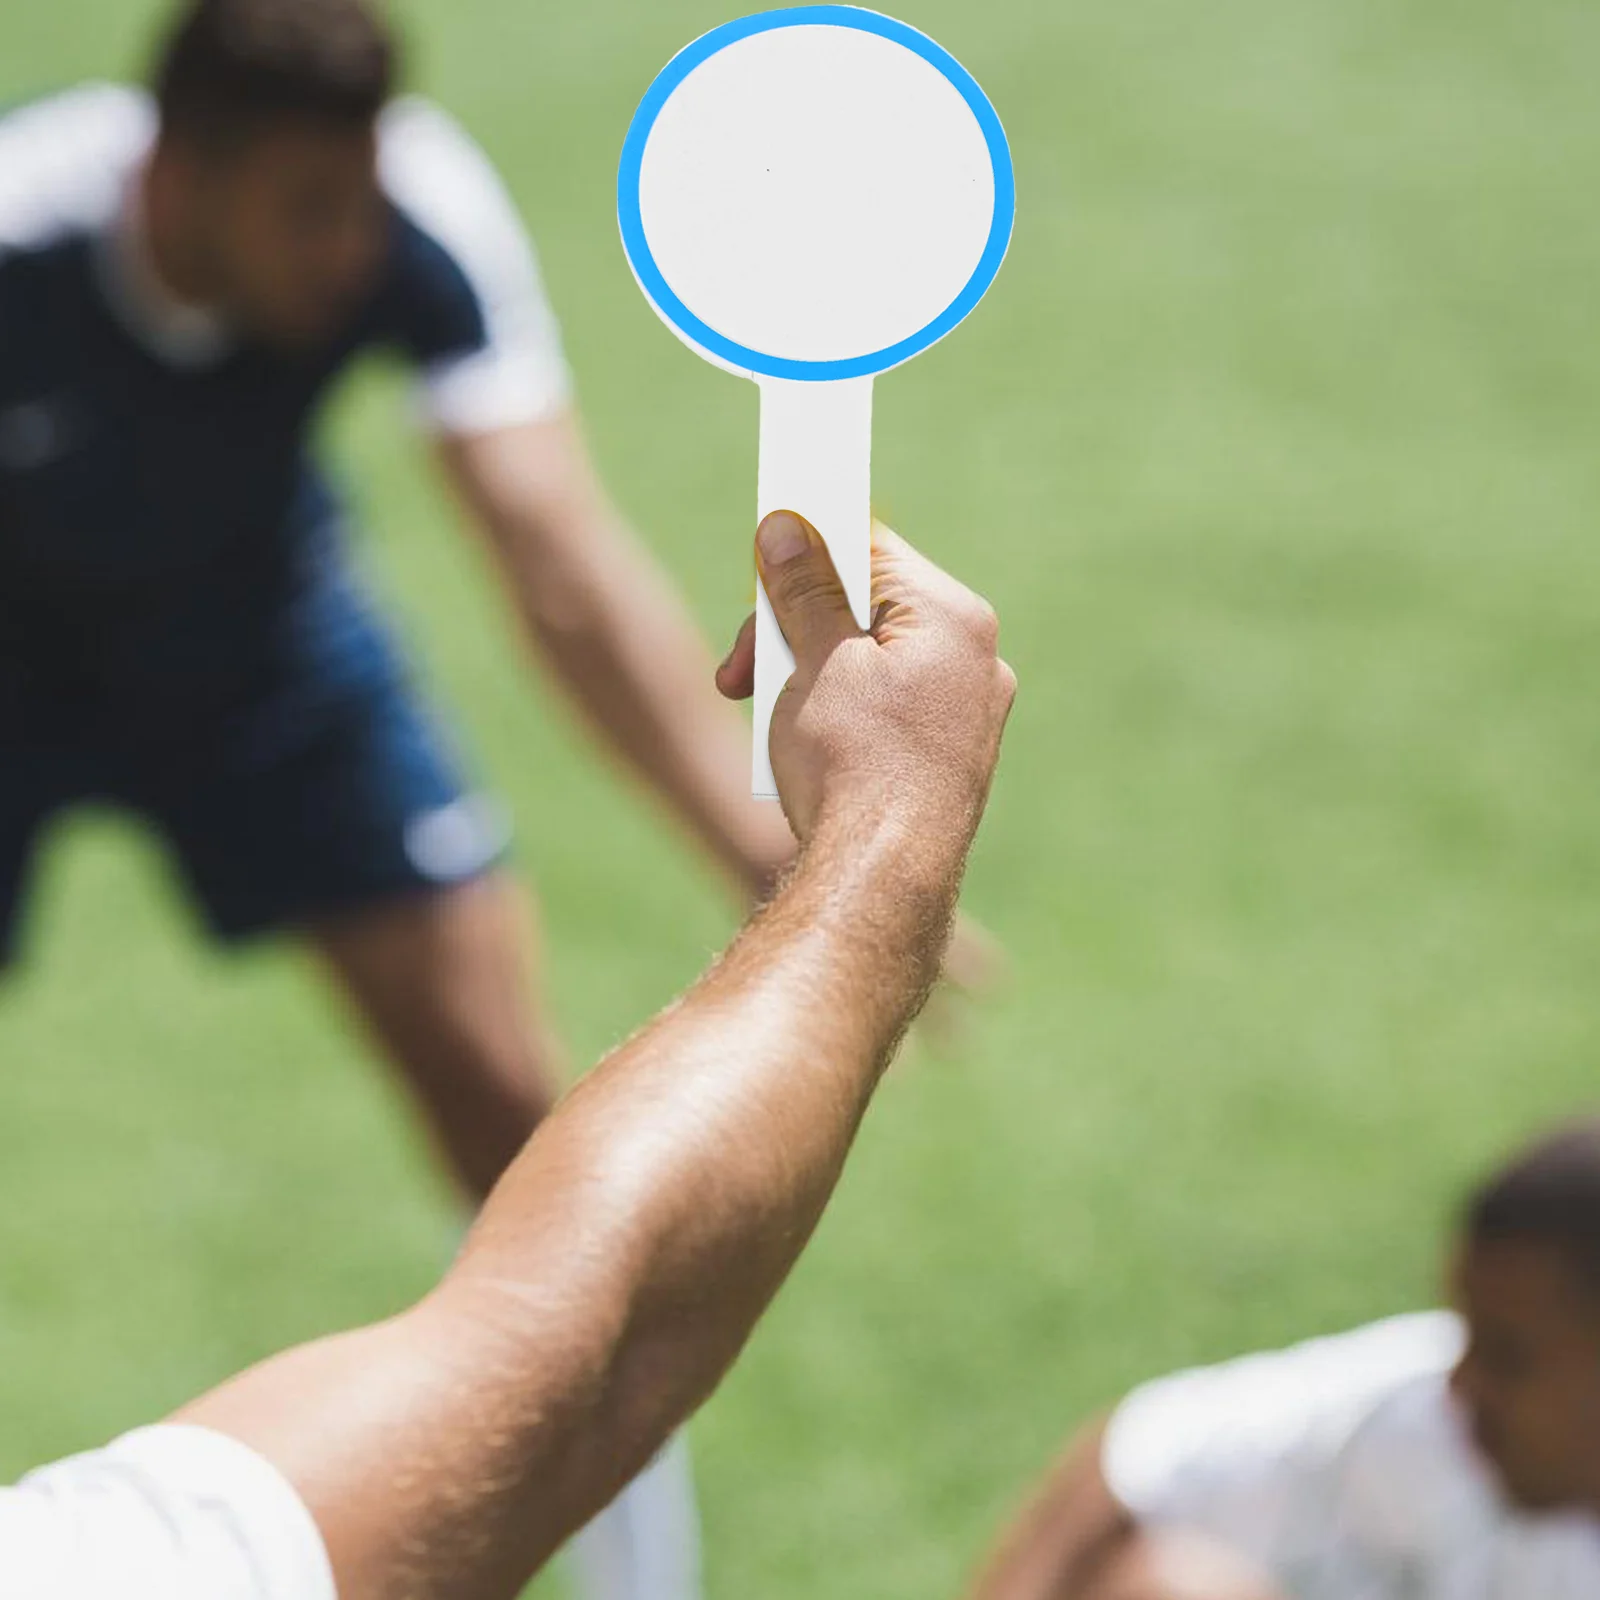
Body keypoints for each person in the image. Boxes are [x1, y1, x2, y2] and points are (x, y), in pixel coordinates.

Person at [0, 0, 999, 1591]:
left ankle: (643, 1580)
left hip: (250, 643)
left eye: (363, 197)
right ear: (176, 179)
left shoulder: (423, 215)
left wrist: (767, 831)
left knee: (506, 1119)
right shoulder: (19, 222)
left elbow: (554, 558)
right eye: (303, 212)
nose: (349, 248)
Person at [0, 508, 1017, 1600]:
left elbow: (544, 529)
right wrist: (888, 835)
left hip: (244, 636)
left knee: (492, 1100)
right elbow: (572, 1364)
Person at [966, 1117, 1600, 1600]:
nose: (1461, 1385)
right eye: (1468, 1337)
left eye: (1509, 1357)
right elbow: (1136, 1460)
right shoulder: (1426, 1415)